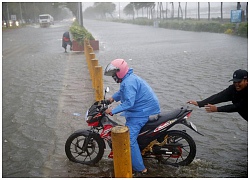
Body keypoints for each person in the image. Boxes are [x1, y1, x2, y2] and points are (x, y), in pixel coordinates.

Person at [104, 59, 161, 175]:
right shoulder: (128, 79)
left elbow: (129, 103)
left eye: (115, 74)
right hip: (140, 109)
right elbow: (122, 92)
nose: (114, 76)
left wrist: (112, 111)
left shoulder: (129, 82)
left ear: (120, 72)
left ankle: (141, 169)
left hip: (141, 112)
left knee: (129, 140)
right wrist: (111, 99)